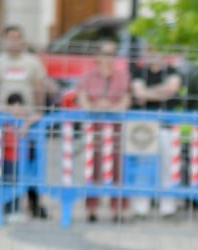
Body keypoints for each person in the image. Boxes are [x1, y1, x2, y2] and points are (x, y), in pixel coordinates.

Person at [0, 25, 50, 219]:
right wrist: (4, 111)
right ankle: (0, 202)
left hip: (28, 121)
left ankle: (33, 202)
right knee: (3, 163)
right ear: (5, 40)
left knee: (30, 163)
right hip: (5, 122)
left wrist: (36, 113)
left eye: (18, 37)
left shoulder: (32, 63)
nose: (15, 41)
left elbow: (39, 90)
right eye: (11, 38)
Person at [75, 39, 131, 223]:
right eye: (105, 53)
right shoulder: (89, 76)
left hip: (116, 127)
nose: (108, 58)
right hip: (94, 126)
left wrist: (111, 108)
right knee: (93, 165)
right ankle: (91, 208)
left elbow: (126, 99)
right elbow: (82, 98)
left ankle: (118, 209)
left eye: (112, 54)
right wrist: (93, 107)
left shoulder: (121, 76)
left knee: (118, 167)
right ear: (97, 56)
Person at [130, 47, 183, 218]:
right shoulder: (139, 71)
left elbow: (172, 89)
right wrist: (162, 92)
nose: (154, 54)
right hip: (144, 126)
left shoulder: (172, 71)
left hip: (166, 125)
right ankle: (140, 207)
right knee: (143, 166)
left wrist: (148, 93)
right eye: (151, 51)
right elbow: (138, 92)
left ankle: (167, 207)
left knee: (167, 166)